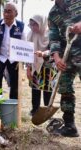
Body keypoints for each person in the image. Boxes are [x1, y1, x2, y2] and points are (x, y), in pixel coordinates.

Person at [48, 0, 81, 137]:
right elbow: (54, 37)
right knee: (65, 88)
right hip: (66, 56)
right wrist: (56, 58)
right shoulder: (52, 13)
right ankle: (69, 126)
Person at [0, 2, 26, 99]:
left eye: (9, 12)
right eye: (5, 11)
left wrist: (21, 61)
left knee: (15, 83)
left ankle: (12, 106)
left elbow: (24, 45)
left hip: (14, 59)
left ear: (15, 13)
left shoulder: (21, 26)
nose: (6, 14)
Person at [27, 15, 56, 116]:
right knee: (35, 88)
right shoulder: (30, 35)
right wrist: (28, 68)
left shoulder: (50, 34)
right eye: (31, 25)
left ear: (41, 23)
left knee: (47, 89)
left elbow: (54, 49)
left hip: (48, 65)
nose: (32, 27)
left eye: (35, 24)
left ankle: (47, 111)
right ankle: (35, 109)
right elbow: (28, 53)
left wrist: (44, 53)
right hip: (35, 65)